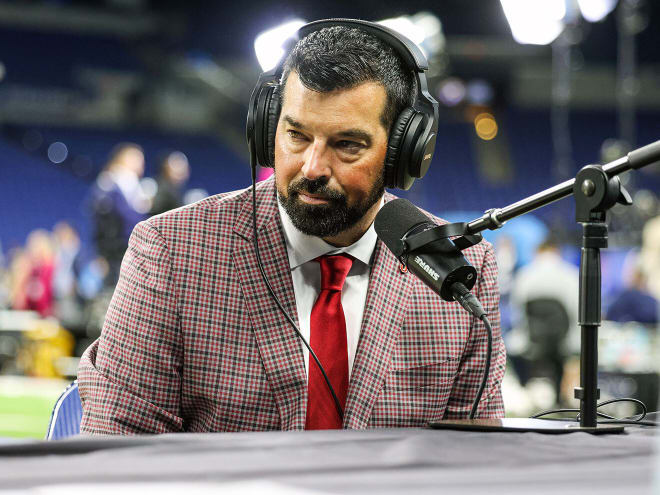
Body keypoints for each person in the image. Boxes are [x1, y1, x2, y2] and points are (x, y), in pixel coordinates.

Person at [78, 21, 505, 434]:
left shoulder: (459, 269)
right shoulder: (171, 251)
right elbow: (116, 452)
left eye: (347, 145)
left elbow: (472, 464)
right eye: (296, 136)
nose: (313, 167)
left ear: (403, 153)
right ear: (268, 129)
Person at [149, 151, 190, 216]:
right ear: (166, 168)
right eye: (177, 166)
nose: (181, 172)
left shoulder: (175, 189)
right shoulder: (160, 188)